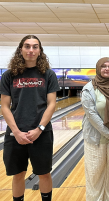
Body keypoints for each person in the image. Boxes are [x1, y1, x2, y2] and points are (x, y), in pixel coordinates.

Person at [0, 35, 59, 201]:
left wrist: (39, 129)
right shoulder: (9, 75)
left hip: (41, 133)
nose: (31, 50)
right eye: (27, 46)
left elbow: (52, 104)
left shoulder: (48, 75)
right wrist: (17, 132)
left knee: (44, 173)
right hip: (15, 134)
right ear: (21, 49)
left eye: (35, 47)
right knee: (18, 174)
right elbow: (4, 106)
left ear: (40, 51)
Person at [81, 57, 109, 201]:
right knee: (95, 174)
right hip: (95, 138)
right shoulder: (88, 88)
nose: (107, 68)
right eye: (103, 66)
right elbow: (91, 115)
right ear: (98, 68)